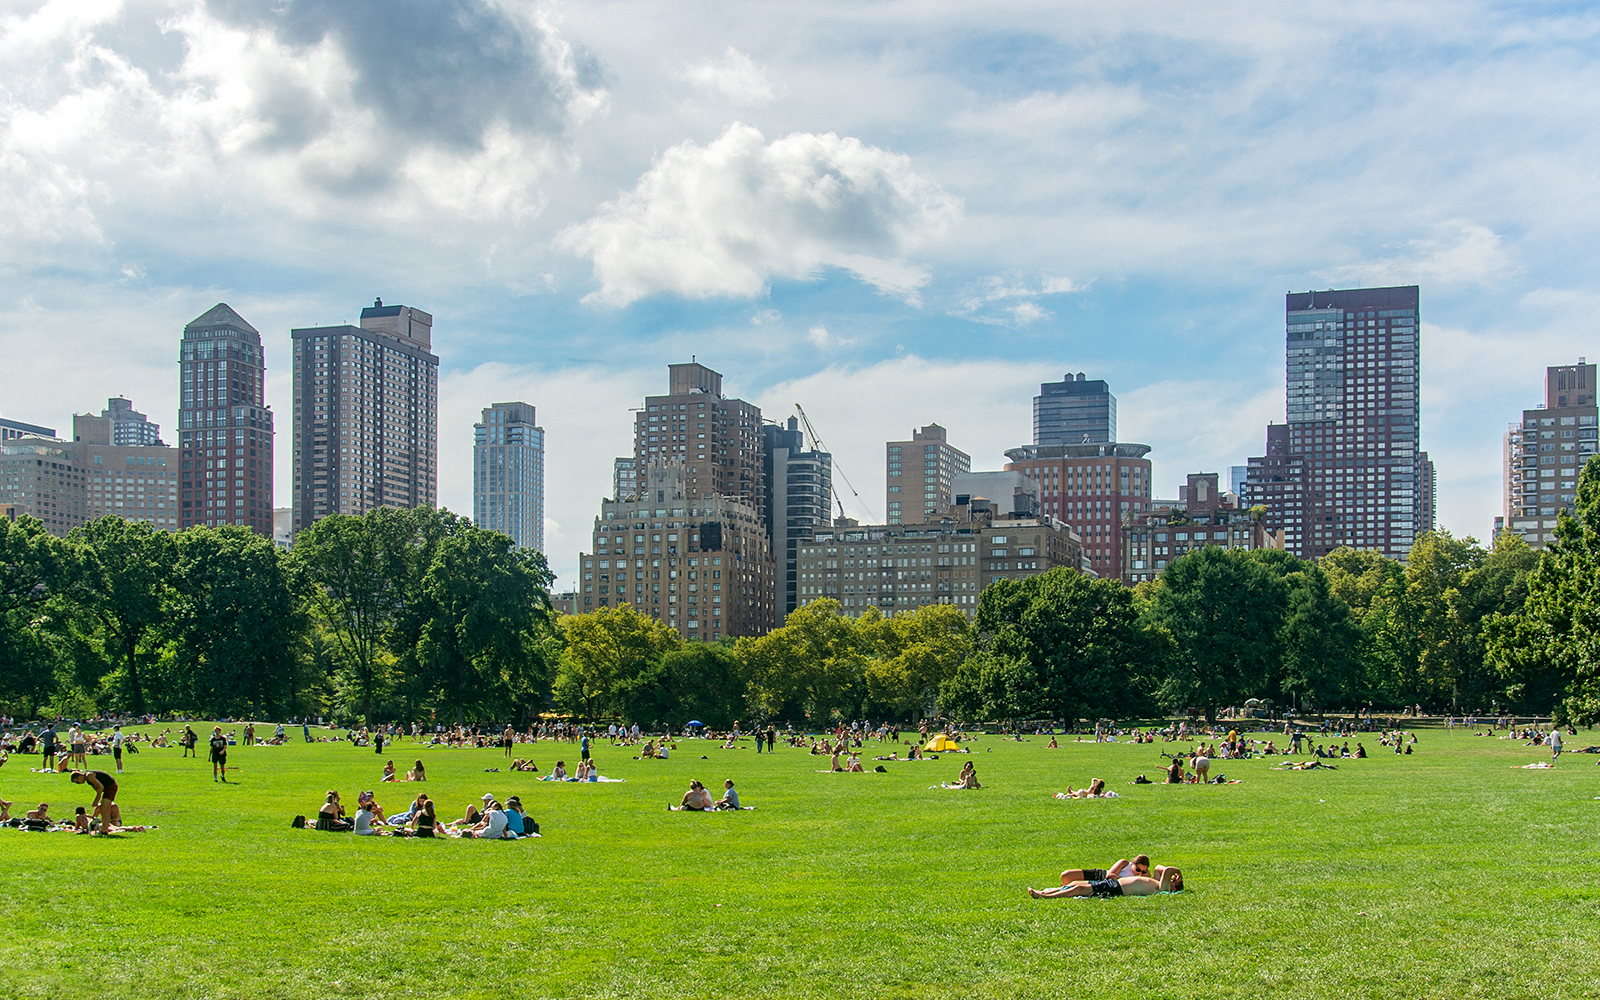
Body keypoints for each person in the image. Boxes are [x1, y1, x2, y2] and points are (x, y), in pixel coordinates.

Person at [1028, 865, 1184, 898]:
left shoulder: (1162, 888)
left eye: (1173, 882)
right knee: (1074, 884)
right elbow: (1158, 868)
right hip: (1114, 884)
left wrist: (1178, 874)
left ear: (1173, 887)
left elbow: (1168, 869)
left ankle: (1045, 896)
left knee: (1078, 889)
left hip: (1116, 889)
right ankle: (1046, 891)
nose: (1170, 879)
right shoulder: (1158, 882)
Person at [71, 768, 120, 833]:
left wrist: (96, 800)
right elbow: (97, 789)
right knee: (106, 809)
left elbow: (100, 787)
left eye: (77, 782)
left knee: (103, 809)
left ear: (79, 777)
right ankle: (105, 829)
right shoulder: (88, 781)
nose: (79, 783)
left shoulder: (89, 776)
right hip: (108, 788)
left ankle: (104, 830)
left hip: (110, 787)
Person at [1057, 855, 1151, 884]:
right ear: (1133, 864)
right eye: (1138, 869)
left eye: (1143, 871)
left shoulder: (1146, 874)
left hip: (1105, 885)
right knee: (1066, 876)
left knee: (1075, 886)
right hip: (1101, 875)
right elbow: (1109, 875)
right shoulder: (1125, 863)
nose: (1139, 873)